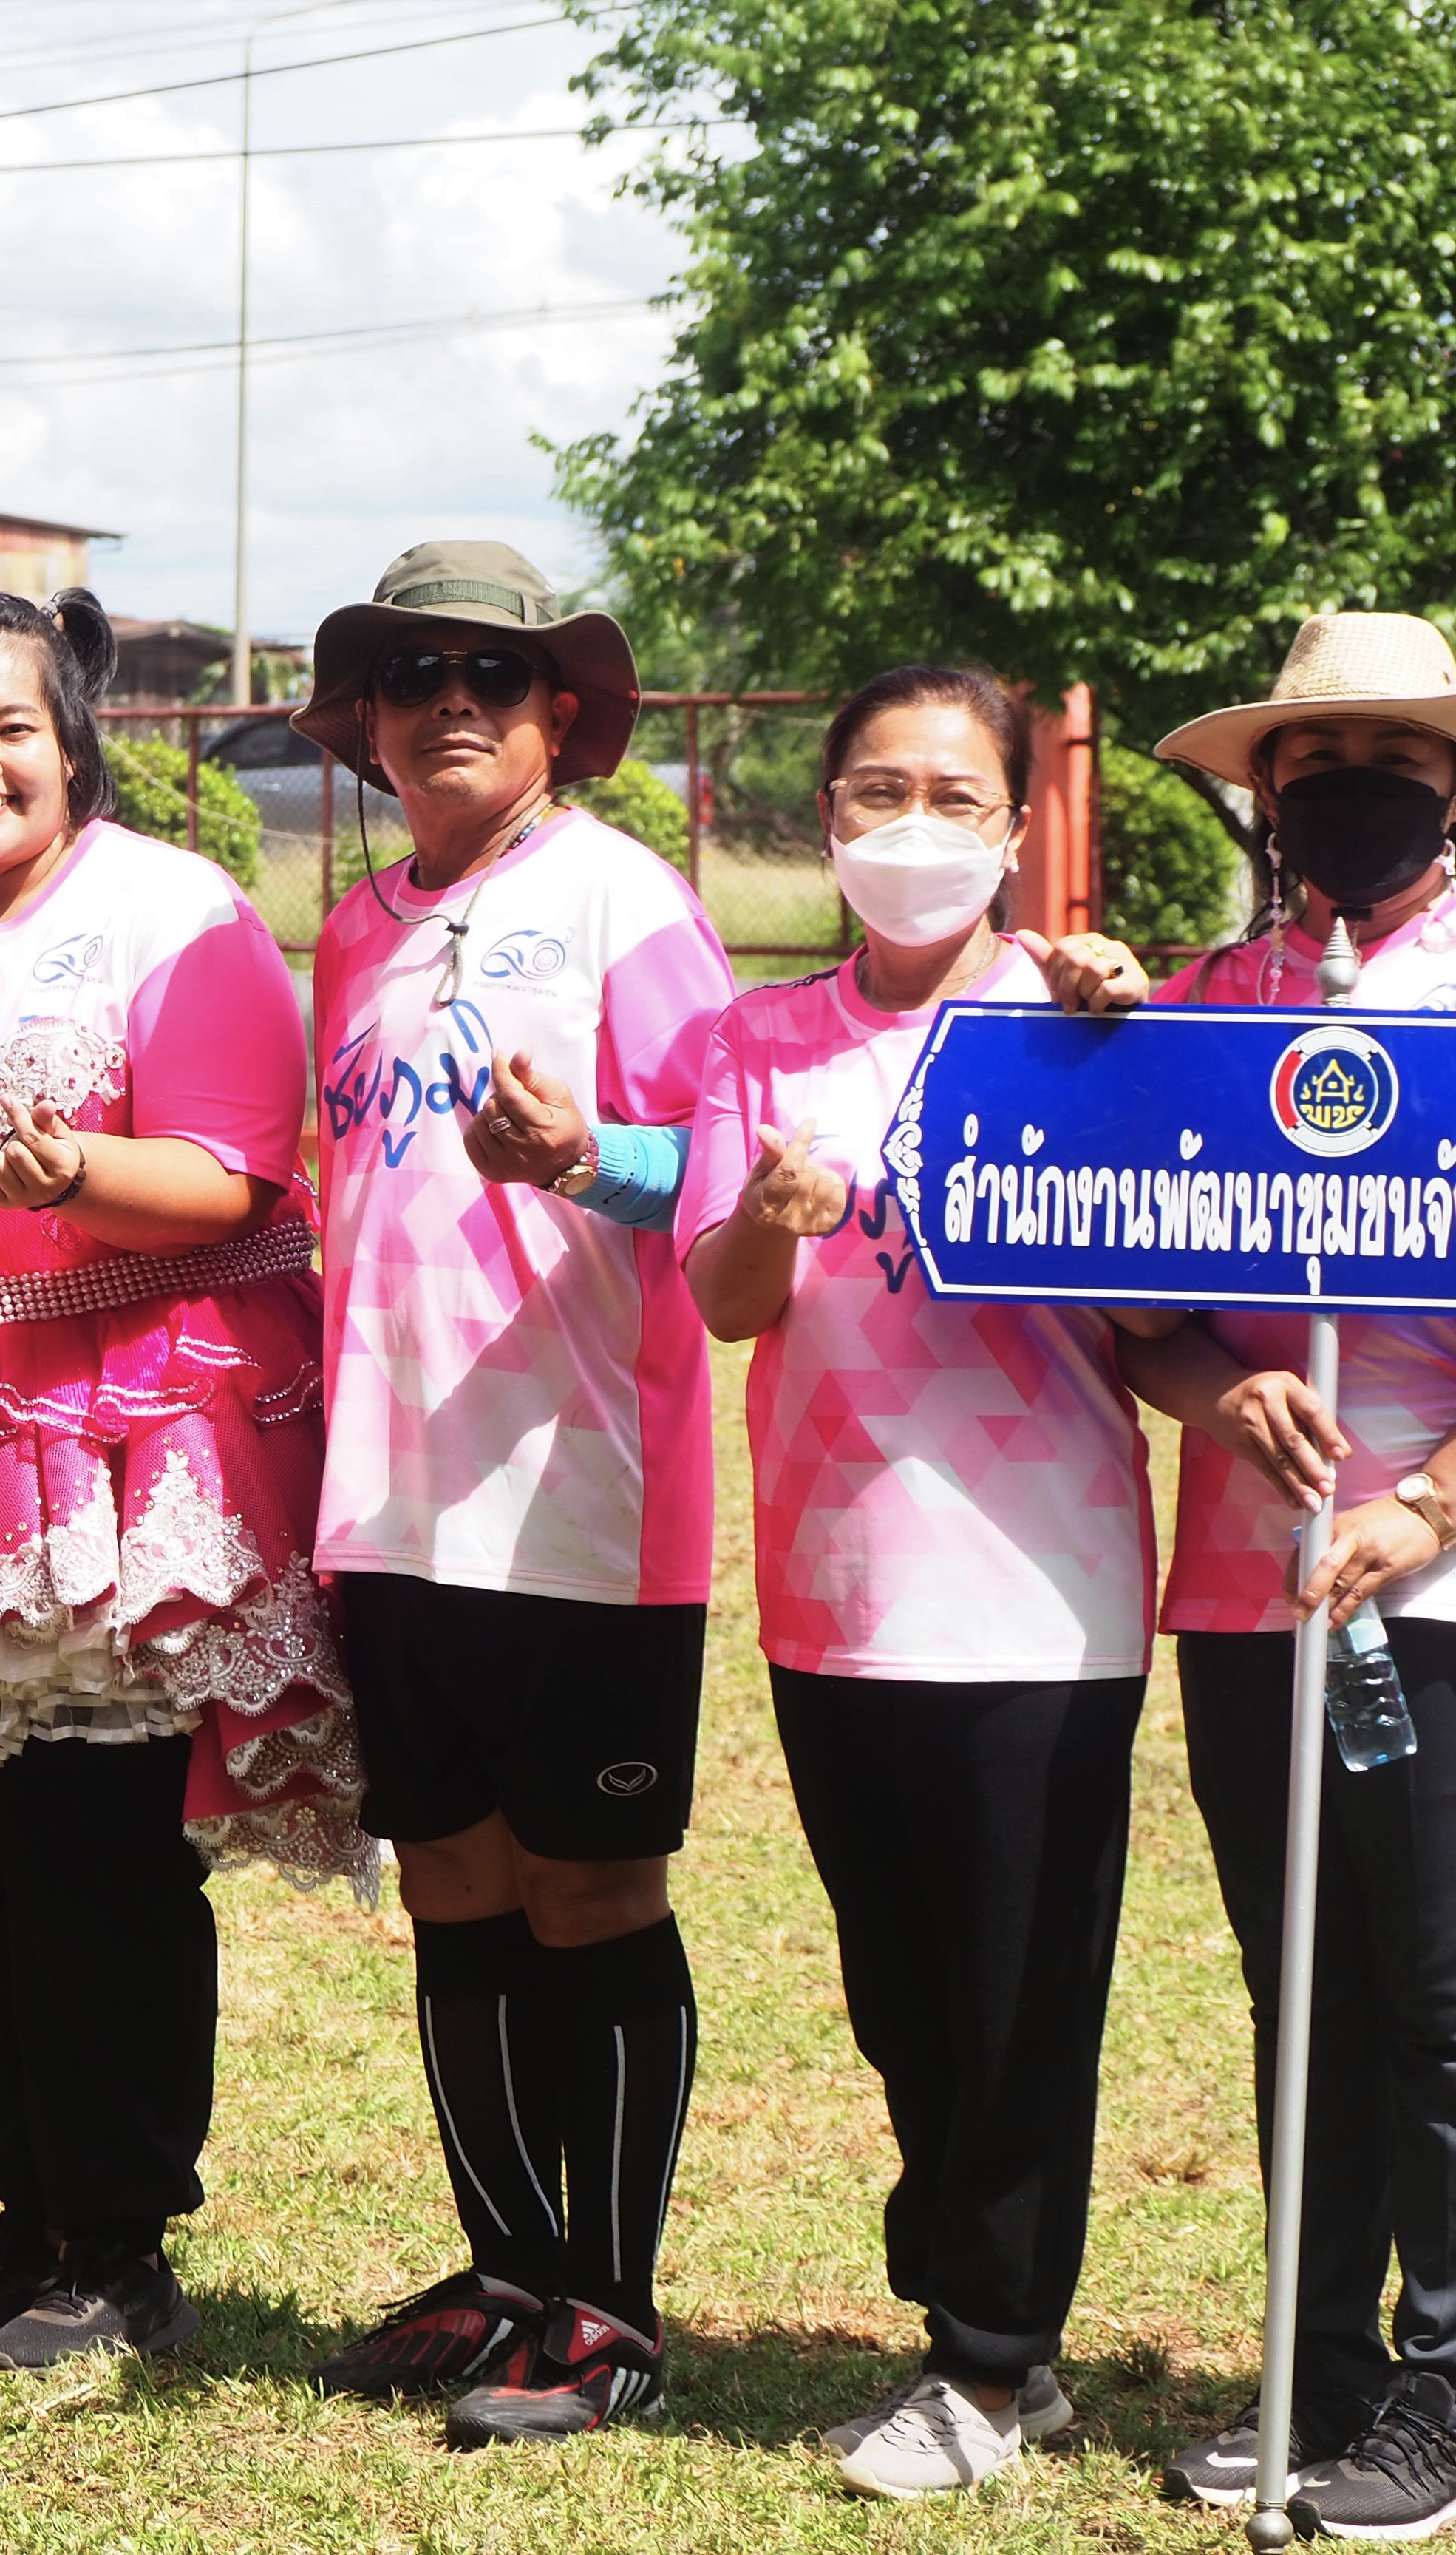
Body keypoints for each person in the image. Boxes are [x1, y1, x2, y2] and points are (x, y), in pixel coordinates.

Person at [0, 586, 369, 2373]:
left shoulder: (177, 913)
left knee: (101, 1859)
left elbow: (244, 1184)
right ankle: (26, 2200)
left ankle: (120, 2239)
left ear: (73, 735)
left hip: (128, 1422)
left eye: (9, 726)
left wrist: (78, 1176)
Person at [676, 667, 1160, 2500]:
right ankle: (980, 2319)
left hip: (1043, 1587)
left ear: (1021, 828)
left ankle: (987, 2355)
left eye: (959, 797)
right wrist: (762, 1225)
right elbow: (727, 1305)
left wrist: (1128, 1024)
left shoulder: (1082, 1019)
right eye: (881, 791)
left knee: (1021, 1986)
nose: (916, 828)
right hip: (834, 1579)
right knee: (899, 1989)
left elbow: (1177, 1275)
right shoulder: (758, 1039)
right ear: (825, 819)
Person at [294, 540, 727, 2445]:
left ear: (562, 710)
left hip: (585, 1501)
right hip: (389, 1498)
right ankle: (504, 2270)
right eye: (410, 673)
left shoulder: (629, 900)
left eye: (494, 668)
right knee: (458, 1884)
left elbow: (730, 1180)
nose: (448, 700)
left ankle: (612, 2312)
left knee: (592, 1890)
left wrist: (591, 1157)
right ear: (369, 722)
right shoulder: (348, 930)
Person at [1115, 613, 1456, 2537]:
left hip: (1434, 1597)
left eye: (1388, 754)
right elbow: (1138, 1314)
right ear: (1264, 791)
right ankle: (1312, 2379)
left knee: (1434, 1999)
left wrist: (1429, 1510)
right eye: (1309, 757)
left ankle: (1441, 2391)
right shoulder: (1205, 1001)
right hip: (1250, 1598)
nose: (1347, 789)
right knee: (1301, 1992)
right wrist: (1223, 1388)